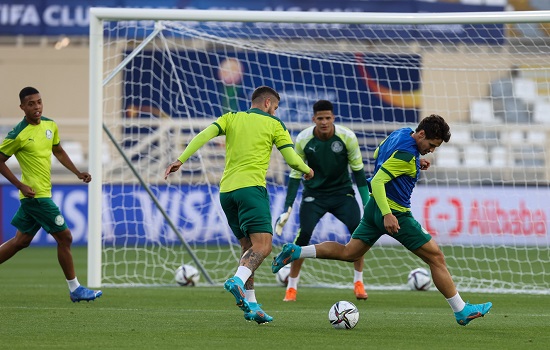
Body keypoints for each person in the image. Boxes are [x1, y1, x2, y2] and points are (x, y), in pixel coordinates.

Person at [272, 114, 493, 326]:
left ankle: (298, 251)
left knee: (351, 252)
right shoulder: (407, 155)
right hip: (395, 213)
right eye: (432, 145)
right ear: (422, 133)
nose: (432, 150)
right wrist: (388, 214)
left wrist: (416, 163)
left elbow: (379, 153)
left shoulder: (402, 133)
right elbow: (378, 181)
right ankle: (461, 310)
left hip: (373, 209)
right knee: (436, 257)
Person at [164, 86, 313, 324]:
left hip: (226, 192)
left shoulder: (230, 118)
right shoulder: (275, 125)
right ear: (267, 103)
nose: (275, 112)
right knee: (263, 246)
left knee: (248, 248)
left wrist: (180, 160)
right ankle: (237, 280)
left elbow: (203, 135)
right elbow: (292, 158)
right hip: (251, 190)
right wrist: (307, 170)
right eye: (275, 108)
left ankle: (252, 305)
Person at [0, 87, 102, 303]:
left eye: (39, 102)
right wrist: (20, 185)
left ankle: (75, 289)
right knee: (65, 237)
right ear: (22, 107)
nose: (36, 107)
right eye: (31, 104)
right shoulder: (18, 133)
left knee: (21, 242)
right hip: (35, 197)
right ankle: (75, 289)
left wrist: (77, 172)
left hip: (43, 193)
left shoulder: (50, 125)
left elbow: (58, 150)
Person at [274, 100, 369, 302]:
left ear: (333, 118)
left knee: (358, 232)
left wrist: (368, 203)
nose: (324, 122)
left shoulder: (347, 137)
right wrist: (287, 207)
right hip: (314, 196)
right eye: (320, 118)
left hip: (342, 194)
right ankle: (291, 286)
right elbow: (294, 174)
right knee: (304, 235)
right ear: (313, 119)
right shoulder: (303, 139)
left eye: (327, 118)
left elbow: (359, 174)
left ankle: (358, 282)